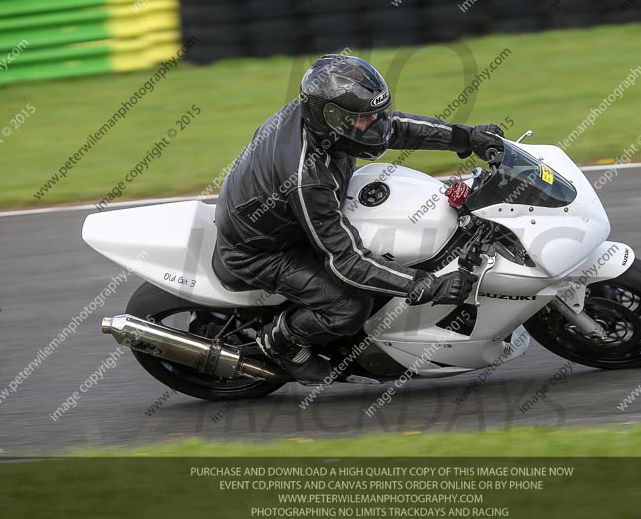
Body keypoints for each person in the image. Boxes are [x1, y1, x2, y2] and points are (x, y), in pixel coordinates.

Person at [215, 54, 503, 383]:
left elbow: (394, 129)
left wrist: (466, 138)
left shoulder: (331, 122)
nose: (374, 122)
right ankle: (282, 341)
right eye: (363, 117)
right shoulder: (308, 178)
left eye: (374, 112)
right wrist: (428, 285)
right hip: (261, 251)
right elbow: (346, 262)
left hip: (280, 213)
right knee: (349, 306)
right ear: (329, 117)